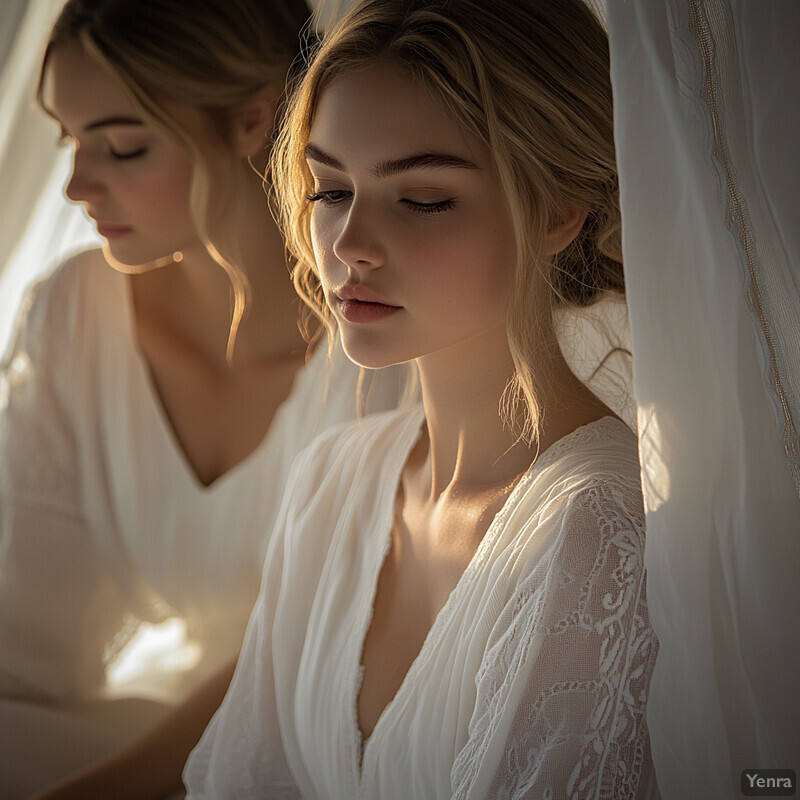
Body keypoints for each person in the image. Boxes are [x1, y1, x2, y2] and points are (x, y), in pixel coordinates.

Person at [184, 0, 660, 797]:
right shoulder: (334, 480)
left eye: (423, 199)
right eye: (330, 190)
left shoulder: (596, 533)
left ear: (557, 207)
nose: (349, 247)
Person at [0, 0, 401, 797]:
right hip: (154, 736)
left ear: (253, 118)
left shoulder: (384, 342)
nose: (78, 184)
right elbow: (23, 637)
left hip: (327, 749)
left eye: (121, 145)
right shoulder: (77, 314)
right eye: (69, 142)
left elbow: (327, 657)